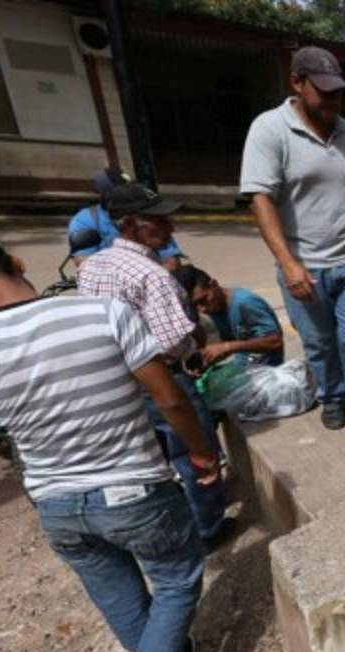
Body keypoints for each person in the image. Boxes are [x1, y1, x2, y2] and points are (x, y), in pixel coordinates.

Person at [0, 233, 216, 652]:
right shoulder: (100, 312)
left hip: (56, 505)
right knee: (176, 584)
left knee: (122, 599)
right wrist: (202, 453)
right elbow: (170, 400)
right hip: (134, 491)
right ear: (16, 262)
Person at [241, 46, 345, 445]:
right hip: (305, 265)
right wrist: (288, 264)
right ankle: (333, 396)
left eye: (338, 92)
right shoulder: (270, 129)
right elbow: (260, 199)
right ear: (296, 83)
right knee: (319, 343)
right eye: (323, 91)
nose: (333, 100)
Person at [77, 182, 230, 545]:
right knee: (195, 453)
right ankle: (207, 530)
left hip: (117, 380)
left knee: (151, 457)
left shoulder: (92, 266)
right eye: (158, 221)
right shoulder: (152, 275)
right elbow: (174, 342)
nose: (170, 228)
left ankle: (171, 520)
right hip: (162, 378)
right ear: (130, 224)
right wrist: (194, 344)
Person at [68, 167, 184, 269]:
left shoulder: (150, 219)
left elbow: (171, 262)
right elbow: (84, 264)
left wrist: (153, 277)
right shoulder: (86, 220)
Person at [175, 264, 285, 368]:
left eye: (203, 300)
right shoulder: (215, 307)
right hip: (245, 366)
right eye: (194, 305)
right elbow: (236, 342)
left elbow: (274, 341)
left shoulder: (245, 303)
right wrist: (207, 357)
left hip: (266, 370)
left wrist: (227, 347)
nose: (202, 309)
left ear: (214, 284)